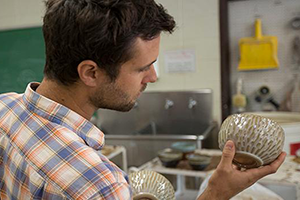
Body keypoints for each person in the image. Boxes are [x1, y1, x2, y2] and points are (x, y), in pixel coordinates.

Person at [0, 0, 285, 199]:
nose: (152, 77)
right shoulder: (98, 185)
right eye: (142, 68)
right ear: (90, 72)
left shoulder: (4, 107)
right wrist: (216, 194)